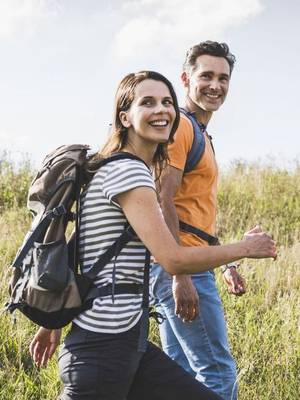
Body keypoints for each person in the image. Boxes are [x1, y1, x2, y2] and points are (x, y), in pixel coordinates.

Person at [29, 70, 276, 400]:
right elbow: (173, 259)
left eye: (167, 102)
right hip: (104, 352)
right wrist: (245, 249)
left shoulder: (115, 169)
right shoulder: (127, 171)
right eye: (148, 102)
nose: (162, 110)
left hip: (128, 348)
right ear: (125, 117)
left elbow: (81, 252)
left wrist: (53, 323)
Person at [150, 41, 248, 400]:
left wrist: (226, 261)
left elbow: (193, 210)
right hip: (180, 265)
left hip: (184, 261)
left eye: (223, 78)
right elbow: (164, 198)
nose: (215, 85)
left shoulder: (200, 133)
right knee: (217, 372)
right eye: (206, 75)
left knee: (182, 377)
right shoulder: (181, 128)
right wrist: (180, 274)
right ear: (185, 78)